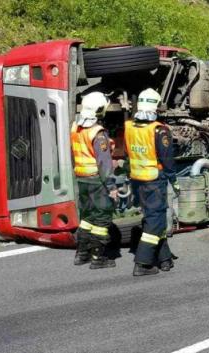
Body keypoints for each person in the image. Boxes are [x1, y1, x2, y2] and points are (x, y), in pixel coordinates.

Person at [124, 88, 180, 276]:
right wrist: (174, 180)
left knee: (153, 218)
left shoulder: (129, 126)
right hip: (155, 180)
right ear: (156, 106)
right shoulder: (158, 130)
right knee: (155, 221)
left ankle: (165, 259)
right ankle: (143, 263)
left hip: (137, 179)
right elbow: (167, 159)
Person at [71, 91, 119, 269]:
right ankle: (98, 259)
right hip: (97, 181)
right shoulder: (98, 134)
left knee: (87, 218)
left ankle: (81, 255)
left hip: (82, 179)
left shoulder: (75, 127)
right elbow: (104, 163)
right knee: (101, 220)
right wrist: (112, 187)